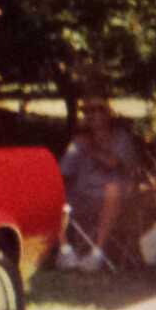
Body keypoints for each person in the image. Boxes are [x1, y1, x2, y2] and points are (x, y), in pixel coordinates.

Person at [58, 99, 137, 272]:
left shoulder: (120, 138)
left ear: (108, 113)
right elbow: (63, 173)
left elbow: (112, 163)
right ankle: (65, 250)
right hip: (82, 196)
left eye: (98, 110)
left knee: (113, 188)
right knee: (54, 191)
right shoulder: (79, 141)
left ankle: (97, 254)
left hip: (114, 201)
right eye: (88, 111)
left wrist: (90, 147)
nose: (93, 115)